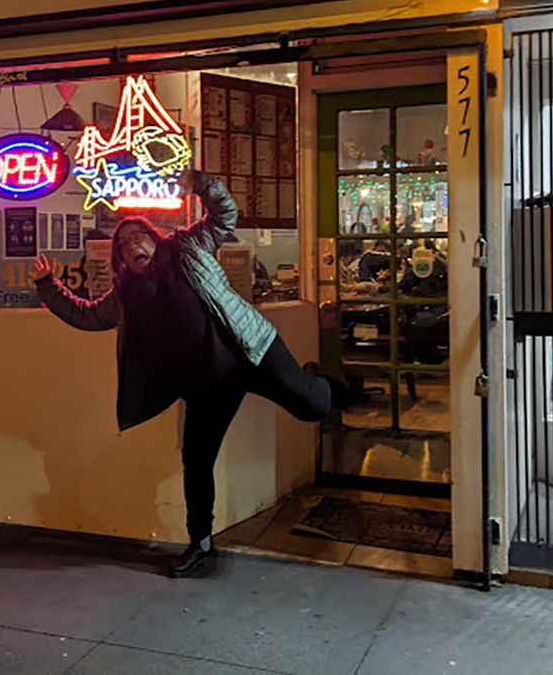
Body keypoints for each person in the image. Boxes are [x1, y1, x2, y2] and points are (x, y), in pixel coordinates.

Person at [30, 170, 345, 578]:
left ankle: (319, 380)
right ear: (119, 259)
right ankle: (201, 543)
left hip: (250, 352)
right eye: (123, 245)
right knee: (196, 463)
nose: (131, 246)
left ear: (153, 236)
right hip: (206, 387)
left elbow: (224, 215)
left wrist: (199, 182)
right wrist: (48, 287)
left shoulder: (188, 246)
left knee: (312, 406)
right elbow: (88, 316)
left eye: (137, 236)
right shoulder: (126, 296)